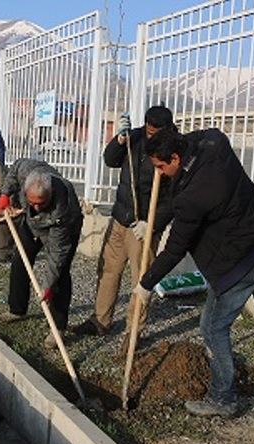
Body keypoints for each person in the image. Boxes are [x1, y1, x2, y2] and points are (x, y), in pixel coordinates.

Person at [134, 128, 254, 418]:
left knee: (213, 328)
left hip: (239, 265)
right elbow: (200, 136)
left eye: (161, 166)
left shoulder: (194, 195)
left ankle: (223, 398)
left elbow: (175, 248)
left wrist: (146, 284)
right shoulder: (215, 143)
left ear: (176, 158)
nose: (160, 173)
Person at [72, 106, 176, 338]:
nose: (150, 137)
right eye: (148, 131)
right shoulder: (135, 137)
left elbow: (174, 198)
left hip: (144, 227)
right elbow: (110, 160)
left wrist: (152, 223)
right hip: (120, 218)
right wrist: (119, 140)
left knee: (142, 279)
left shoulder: (174, 151)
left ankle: (134, 332)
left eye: (155, 133)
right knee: (108, 269)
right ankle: (100, 321)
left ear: (167, 129)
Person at [0, 165, 83, 350]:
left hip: (61, 230)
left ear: (49, 195)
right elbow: (15, 168)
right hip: (31, 225)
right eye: (32, 202)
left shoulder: (62, 206)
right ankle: (17, 309)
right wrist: (5, 194)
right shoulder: (27, 172)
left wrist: (48, 285)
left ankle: (58, 327)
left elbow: (57, 254)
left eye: (41, 203)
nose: (36, 206)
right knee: (20, 260)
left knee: (60, 274)